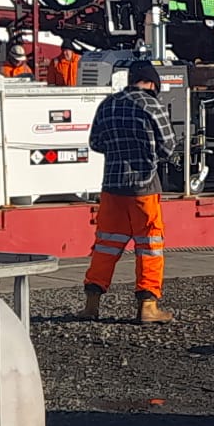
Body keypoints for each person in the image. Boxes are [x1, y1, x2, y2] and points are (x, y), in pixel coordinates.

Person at [84, 61, 176, 323]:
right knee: (150, 245)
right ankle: (148, 306)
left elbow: (95, 142)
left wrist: (118, 152)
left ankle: (91, 304)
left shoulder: (108, 104)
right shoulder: (151, 104)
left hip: (112, 187)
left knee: (105, 245)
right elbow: (168, 147)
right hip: (144, 187)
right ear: (150, 83)